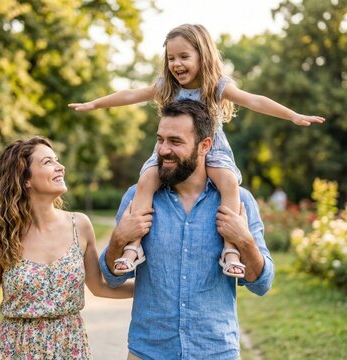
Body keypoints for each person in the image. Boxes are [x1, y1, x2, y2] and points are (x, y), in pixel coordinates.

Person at [69, 23, 323, 278]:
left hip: (212, 148)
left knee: (229, 182)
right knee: (146, 180)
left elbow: (254, 100)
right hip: (176, 149)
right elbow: (130, 94)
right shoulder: (167, 88)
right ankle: (133, 246)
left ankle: (231, 250)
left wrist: (292, 115)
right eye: (171, 58)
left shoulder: (217, 86)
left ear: (203, 56)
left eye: (184, 57)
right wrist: (95, 104)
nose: (176, 64)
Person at [99, 100, 274, 359]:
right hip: (148, 351)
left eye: (175, 141)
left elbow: (262, 284)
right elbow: (113, 278)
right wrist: (118, 240)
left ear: (205, 145)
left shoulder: (239, 201)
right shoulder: (137, 198)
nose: (164, 150)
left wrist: (244, 240)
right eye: (160, 140)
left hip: (216, 351)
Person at [0, 136, 133, 360]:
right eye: (48, 162)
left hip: (70, 348)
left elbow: (98, 286)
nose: (60, 167)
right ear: (25, 179)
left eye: (57, 160)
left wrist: (148, 289)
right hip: (17, 350)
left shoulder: (79, 226)